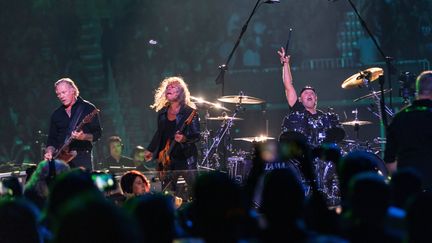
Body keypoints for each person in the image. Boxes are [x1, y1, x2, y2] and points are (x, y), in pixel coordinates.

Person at [277, 47, 343, 206]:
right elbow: (288, 85)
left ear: (316, 99)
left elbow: (334, 136)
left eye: (312, 93)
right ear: (300, 99)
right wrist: (286, 64)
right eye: (306, 93)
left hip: (323, 157)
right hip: (302, 155)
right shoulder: (298, 110)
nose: (309, 94)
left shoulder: (324, 116)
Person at [144, 76, 200, 199]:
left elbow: (197, 136)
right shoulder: (163, 112)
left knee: (195, 191)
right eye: (167, 87)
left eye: (173, 87)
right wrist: (151, 149)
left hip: (185, 159)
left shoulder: (190, 112)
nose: (169, 88)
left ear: (181, 92)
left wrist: (184, 139)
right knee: (167, 192)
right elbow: (159, 133)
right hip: (167, 159)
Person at [385, 70, 432, 190]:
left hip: (408, 192)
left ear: (417, 91)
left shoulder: (399, 118)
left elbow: (389, 161)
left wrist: (403, 183)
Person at [44, 78, 102, 171]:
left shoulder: (87, 108)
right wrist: (49, 151)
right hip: (61, 160)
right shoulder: (56, 114)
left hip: (82, 158)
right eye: (58, 94)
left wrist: (84, 137)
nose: (61, 96)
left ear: (73, 90)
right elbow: (52, 139)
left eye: (64, 92)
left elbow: (97, 134)